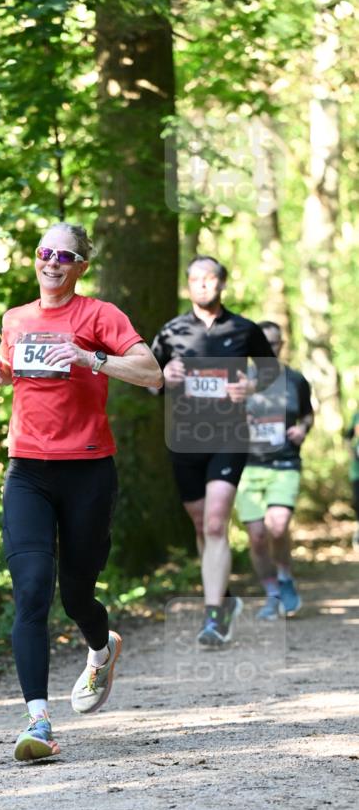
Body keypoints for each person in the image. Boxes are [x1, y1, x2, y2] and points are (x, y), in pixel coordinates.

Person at [0, 222, 163, 761]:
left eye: (64, 255)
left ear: (81, 265)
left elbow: (151, 373)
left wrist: (90, 358)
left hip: (88, 471)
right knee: (32, 588)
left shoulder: (100, 315)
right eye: (44, 252)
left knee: (77, 594)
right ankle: (38, 722)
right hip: (27, 472)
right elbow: (16, 371)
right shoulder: (16, 319)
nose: (51, 262)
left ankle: (102, 651)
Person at [150, 256, 278, 646]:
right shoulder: (172, 331)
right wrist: (163, 375)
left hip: (229, 436)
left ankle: (214, 618)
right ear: (188, 285)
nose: (203, 285)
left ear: (222, 283)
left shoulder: (244, 328)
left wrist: (250, 387)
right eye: (195, 280)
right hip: (184, 439)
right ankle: (224, 597)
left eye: (210, 279)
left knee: (216, 523)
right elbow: (148, 379)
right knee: (201, 524)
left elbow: (270, 371)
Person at [235, 321, 314, 618]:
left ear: (282, 345)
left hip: (285, 463)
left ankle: (285, 578)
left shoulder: (295, 380)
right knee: (257, 535)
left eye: (275, 342)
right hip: (247, 465)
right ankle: (272, 594)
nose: (270, 348)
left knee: (278, 526)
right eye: (264, 343)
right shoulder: (239, 380)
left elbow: (307, 415)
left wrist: (302, 429)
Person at [346, 410, 359, 551]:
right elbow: (347, 437)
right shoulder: (357, 416)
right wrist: (352, 453)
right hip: (357, 471)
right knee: (357, 501)